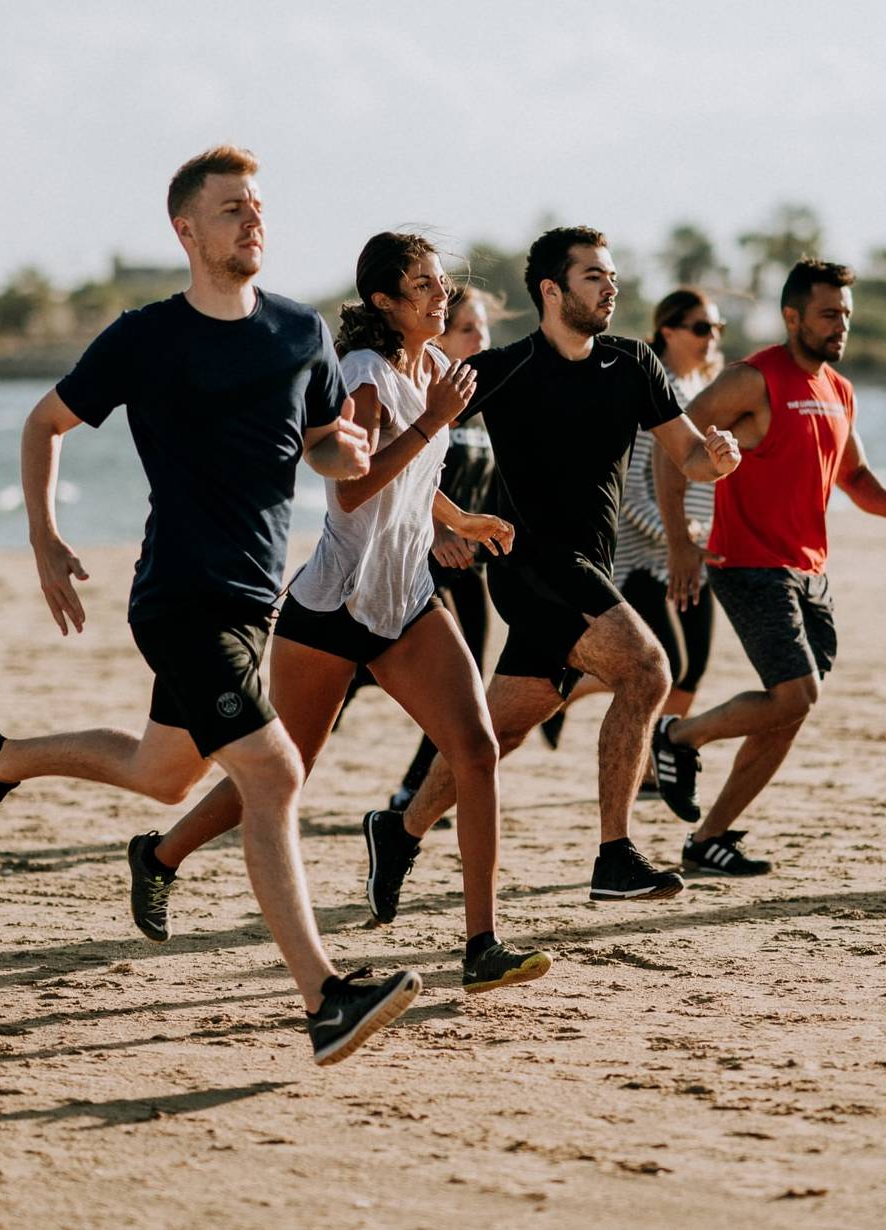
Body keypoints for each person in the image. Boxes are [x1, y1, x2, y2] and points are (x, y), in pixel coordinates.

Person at [0, 144, 419, 1065]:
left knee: (162, 775)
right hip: (177, 598)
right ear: (187, 230)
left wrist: (347, 455)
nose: (254, 220)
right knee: (274, 774)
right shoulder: (145, 336)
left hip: (253, 600)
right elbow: (44, 423)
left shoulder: (299, 332)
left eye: (258, 206)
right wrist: (42, 536)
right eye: (233, 208)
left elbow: (324, 441)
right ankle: (324, 998)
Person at [123, 233, 551, 996]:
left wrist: (459, 520)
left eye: (440, 282)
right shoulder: (362, 376)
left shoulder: (433, 372)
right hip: (331, 606)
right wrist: (432, 422)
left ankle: (481, 944)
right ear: (385, 302)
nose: (439, 294)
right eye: (421, 285)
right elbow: (352, 489)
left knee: (475, 749)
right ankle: (160, 856)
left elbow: (411, 480)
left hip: (405, 601)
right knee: (285, 771)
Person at [363, 227, 742, 919]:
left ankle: (399, 829)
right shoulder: (505, 368)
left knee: (497, 734)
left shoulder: (632, 364)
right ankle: (613, 856)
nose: (610, 287)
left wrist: (717, 458)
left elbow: (687, 456)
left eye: (611, 275)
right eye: (593, 276)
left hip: (586, 566)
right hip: (531, 564)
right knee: (647, 670)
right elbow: (410, 445)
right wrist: (444, 525)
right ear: (551, 290)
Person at [649, 260, 886, 876]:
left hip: (810, 570)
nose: (841, 326)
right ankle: (678, 737)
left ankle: (709, 840)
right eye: (829, 314)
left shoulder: (839, 389)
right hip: (748, 563)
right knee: (795, 692)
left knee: (791, 708)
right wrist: (678, 541)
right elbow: (669, 448)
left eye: (847, 316)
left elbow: (854, 477)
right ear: (792, 317)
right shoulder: (752, 380)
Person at [539, 289, 730, 785]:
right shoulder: (656, 389)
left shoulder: (702, 390)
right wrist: (674, 537)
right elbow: (630, 491)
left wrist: (702, 536)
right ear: (669, 330)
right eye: (702, 328)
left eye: (718, 330)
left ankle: (647, 761)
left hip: (693, 552)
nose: (713, 338)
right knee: (662, 665)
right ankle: (581, 705)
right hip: (646, 558)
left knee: (692, 669)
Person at [378, 287, 503, 818]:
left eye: (484, 328)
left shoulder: (481, 404)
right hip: (416, 562)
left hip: (467, 568)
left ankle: (414, 787)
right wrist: (442, 530)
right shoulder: (427, 397)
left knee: (464, 683)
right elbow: (400, 474)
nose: (482, 340)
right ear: (442, 337)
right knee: (353, 674)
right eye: (468, 330)